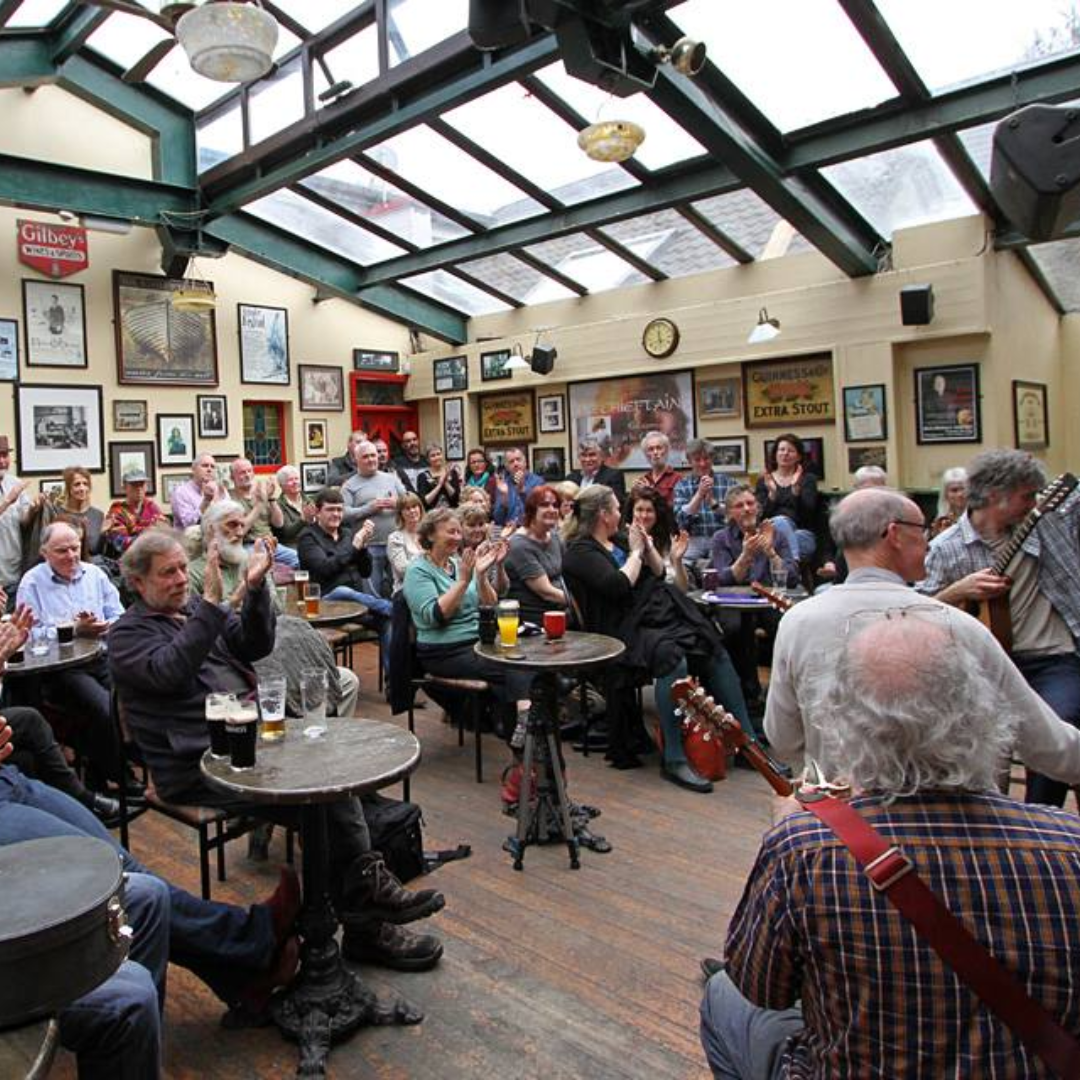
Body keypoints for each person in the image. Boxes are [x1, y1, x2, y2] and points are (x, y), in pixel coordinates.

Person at [702, 612, 1080, 1080]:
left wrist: (784, 830)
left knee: (722, 995)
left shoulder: (804, 849)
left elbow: (760, 988)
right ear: (983, 709)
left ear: (844, 721)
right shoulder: (1069, 846)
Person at [108, 530, 445, 969]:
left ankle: (360, 919)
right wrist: (211, 606)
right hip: (198, 765)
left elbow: (254, 644)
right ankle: (364, 920)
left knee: (335, 782)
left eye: (180, 568)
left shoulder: (192, 610)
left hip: (253, 741)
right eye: (167, 573)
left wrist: (254, 590)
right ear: (137, 583)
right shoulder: (126, 636)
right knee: (328, 799)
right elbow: (169, 672)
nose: (179, 579)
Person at [763, 486, 1080, 790]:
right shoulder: (957, 627)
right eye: (922, 528)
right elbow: (1048, 745)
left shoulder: (798, 622)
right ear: (894, 534)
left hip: (844, 829)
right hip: (954, 828)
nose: (928, 541)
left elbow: (783, 738)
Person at [563, 485, 750, 788]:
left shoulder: (619, 539)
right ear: (603, 515)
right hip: (619, 629)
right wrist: (636, 551)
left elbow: (659, 573)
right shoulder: (580, 552)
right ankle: (674, 758)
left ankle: (747, 743)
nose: (621, 516)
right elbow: (618, 585)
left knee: (711, 645)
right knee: (671, 656)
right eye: (615, 509)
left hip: (653, 614)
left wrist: (647, 547)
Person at [922, 450, 1080, 807]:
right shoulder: (945, 549)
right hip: (982, 665)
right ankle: (994, 824)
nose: (1034, 503)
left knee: (1058, 728)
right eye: (1027, 496)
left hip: (1053, 658)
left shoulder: (1047, 523)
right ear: (995, 495)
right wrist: (957, 591)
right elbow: (912, 611)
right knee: (980, 750)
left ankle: (1043, 819)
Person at [16, 521, 134, 797]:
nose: (70, 555)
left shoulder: (95, 574)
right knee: (103, 707)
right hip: (61, 669)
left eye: (74, 548)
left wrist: (105, 625)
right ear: (44, 552)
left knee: (129, 700)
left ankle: (103, 769)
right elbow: (28, 635)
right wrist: (72, 630)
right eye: (61, 551)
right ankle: (119, 775)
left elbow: (119, 615)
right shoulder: (32, 582)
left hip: (101, 656)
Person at [402, 508, 530, 736]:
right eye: (450, 532)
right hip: (443, 652)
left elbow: (491, 604)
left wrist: (481, 575)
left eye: (459, 532)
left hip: (476, 643)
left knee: (521, 663)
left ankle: (514, 729)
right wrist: (462, 581)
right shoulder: (418, 570)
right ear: (430, 535)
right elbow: (436, 616)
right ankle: (522, 723)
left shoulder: (457, 562)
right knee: (510, 668)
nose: (457, 537)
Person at [710, 485, 798, 711]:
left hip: (767, 600)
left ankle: (786, 690)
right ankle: (746, 694)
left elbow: (791, 579)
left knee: (785, 625)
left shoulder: (776, 535)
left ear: (758, 508)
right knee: (735, 627)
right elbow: (723, 579)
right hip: (733, 601)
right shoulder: (722, 538)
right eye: (739, 506)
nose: (747, 509)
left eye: (750, 504)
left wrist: (770, 552)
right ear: (729, 513)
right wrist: (746, 555)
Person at [297, 486, 393, 667]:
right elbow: (325, 568)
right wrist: (354, 548)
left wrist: (363, 549)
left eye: (339, 510)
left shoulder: (347, 534)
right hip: (326, 605)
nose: (336, 514)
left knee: (387, 622)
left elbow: (365, 572)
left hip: (356, 607)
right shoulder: (308, 537)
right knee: (342, 590)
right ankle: (392, 607)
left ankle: (393, 682)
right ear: (318, 511)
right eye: (330, 509)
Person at [341, 439, 406, 598]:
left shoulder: (391, 478)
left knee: (401, 590)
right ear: (356, 459)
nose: (371, 459)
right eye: (365, 457)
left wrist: (397, 503)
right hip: (369, 547)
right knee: (372, 593)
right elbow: (343, 514)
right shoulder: (349, 485)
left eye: (373, 455)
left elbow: (411, 501)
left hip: (396, 543)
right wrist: (368, 509)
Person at [505, 486, 569, 627]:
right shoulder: (519, 545)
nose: (552, 510)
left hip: (560, 613)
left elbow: (569, 573)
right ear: (531, 510)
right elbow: (546, 592)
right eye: (545, 505)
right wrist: (579, 601)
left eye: (555, 505)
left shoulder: (555, 537)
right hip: (534, 621)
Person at [754, 433, 823, 563]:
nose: (785, 454)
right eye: (782, 450)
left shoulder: (808, 480)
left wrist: (796, 491)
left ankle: (785, 568)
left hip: (802, 533)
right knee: (779, 525)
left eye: (790, 451)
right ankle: (793, 566)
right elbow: (759, 516)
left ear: (799, 456)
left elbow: (809, 516)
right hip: (769, 535)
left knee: (784, 529)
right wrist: (772, 495)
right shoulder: (764, 480)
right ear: (775, 454)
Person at [23, 465, 105, 569]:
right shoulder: (56, 513)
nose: (82, 488)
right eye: (77, 484)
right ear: (68, 488)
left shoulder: (98, 515)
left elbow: (96, 549)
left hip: (89, 570)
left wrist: (103, 534)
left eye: (85, 484)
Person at [674, 438, 737, 570]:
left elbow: (737, 515)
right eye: (697, 460)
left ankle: (703, 568)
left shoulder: (728, 482)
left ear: (712, 459)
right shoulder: (682, 485)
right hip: (693, 539)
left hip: (721, 537)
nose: (702, 464)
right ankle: (697, 571)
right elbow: (680, 519)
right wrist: (699, 495)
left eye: (706, 458)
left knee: (720, 565)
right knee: (681, 565)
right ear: (690, 461)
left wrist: (713, 504)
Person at [230, 458, 298, 568]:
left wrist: (271, 498)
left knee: (299, 559)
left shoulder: (261, 491)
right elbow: (241, 531)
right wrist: (260, 504)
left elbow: (279, 523)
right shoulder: (230, 499)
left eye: (250, 471)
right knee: (255, 567)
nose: (247, 475)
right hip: (248, 545)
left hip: (271, 543)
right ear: (232, 477)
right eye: (242, 472)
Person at [623, 485, 690, 592]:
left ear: (657, 514)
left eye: (649, 511)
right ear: (632, 512)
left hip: (664, 598)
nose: (644, 516)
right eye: (639, 510)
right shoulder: (621, 539)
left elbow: (682, 589)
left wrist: (677, 560)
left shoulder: (667, 540)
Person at [0, 434, 36, 598]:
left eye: (5, 455)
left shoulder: (14, 483)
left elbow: (24, 521)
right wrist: (7, 501)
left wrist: (35, 509)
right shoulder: (13, 492)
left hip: (14, 571)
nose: (2, 461)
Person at [103, 467, 164, 556]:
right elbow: (120, 543)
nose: (139, 489)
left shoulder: (152, 507)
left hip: (154, 554)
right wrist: (148, 533)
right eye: (134, 485)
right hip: (129, 558)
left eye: (142, 484)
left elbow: (165, 532)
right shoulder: (117, 511)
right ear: (124, 487)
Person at [491, 446, 543, 526]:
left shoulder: (537, 482)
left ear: (525, 462)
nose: (516, 464)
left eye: (518, 460)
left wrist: (522, 490)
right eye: (511, 462)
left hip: (531, 529)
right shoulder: (503, 485)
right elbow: (498, 519)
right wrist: (504, 499)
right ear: (507, 467)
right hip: (509, 532)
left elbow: (538, 511)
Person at [170, 453, 225, 529]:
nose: (209, 469)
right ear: (193, 469)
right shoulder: (181, 492)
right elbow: (188, 524)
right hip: (190, 539)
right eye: (205, 466)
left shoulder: (220, 490)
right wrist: (206, 501)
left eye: (212, 467)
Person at [567, 436, 626, 504]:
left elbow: (616, 504)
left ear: (601, 456)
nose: (587, 459)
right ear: (579, 457)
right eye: (583, 455)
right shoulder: (571, 478)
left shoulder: (613, 476)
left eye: (592, 455)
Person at [630, 430, 681, 507]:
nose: (655, 452)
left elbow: (675, 509)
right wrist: (633, 495)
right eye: (651, 449)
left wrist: (651, 492)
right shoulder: (643, 480)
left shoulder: (677, 479)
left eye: (659, 448)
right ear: (646, 454)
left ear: (666, 450)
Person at [271, 463, 316, 550]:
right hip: (292, 547)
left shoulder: (309, 500)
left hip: (313, 542)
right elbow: (286, 534)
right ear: (281, 485)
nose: (295, 482)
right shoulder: (279, 505)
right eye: (290, 480)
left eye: (297, 479)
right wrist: (302, 520)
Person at [387, 493, 425, 593]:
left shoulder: (430, 534)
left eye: (414, 506)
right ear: (401, 513)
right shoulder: (395, 538)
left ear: (420, 509)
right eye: (407, 508)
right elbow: (403, 570)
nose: (412, 511)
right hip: (406, 589)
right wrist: (425, 555)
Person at [416, 443, 462, 509]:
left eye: (438, 454)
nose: (437, 457)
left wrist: (445, 482)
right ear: (427, 459)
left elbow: (457, 498)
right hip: (432, 515)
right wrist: (439, 485)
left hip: (452, 513)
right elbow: (424, 502)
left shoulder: (452, 472)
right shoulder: (422, 476)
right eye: (433, 456)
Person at [931, 464, 968, 537]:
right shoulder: (940, 522)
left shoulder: (979, 518)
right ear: (945, 494)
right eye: (954, 490)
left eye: (963, 489)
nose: (960, 494)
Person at [393, 429, 426, 494]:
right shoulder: (396, 463)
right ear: (403, 445)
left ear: (418, 441)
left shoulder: (427, 461)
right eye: (408, 441)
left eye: (414, 439)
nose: (412, 443)